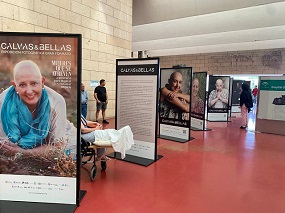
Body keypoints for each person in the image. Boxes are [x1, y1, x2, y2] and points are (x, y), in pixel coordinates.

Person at [0, 60, 75, 156]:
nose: (29, 91)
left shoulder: (56, 101)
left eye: (34, 83)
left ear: (42, 82)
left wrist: (24, 152)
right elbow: (5, 146)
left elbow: (57, 147)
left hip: (66, 133)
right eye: (22, 85)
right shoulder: (3, 103)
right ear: (15, 86)